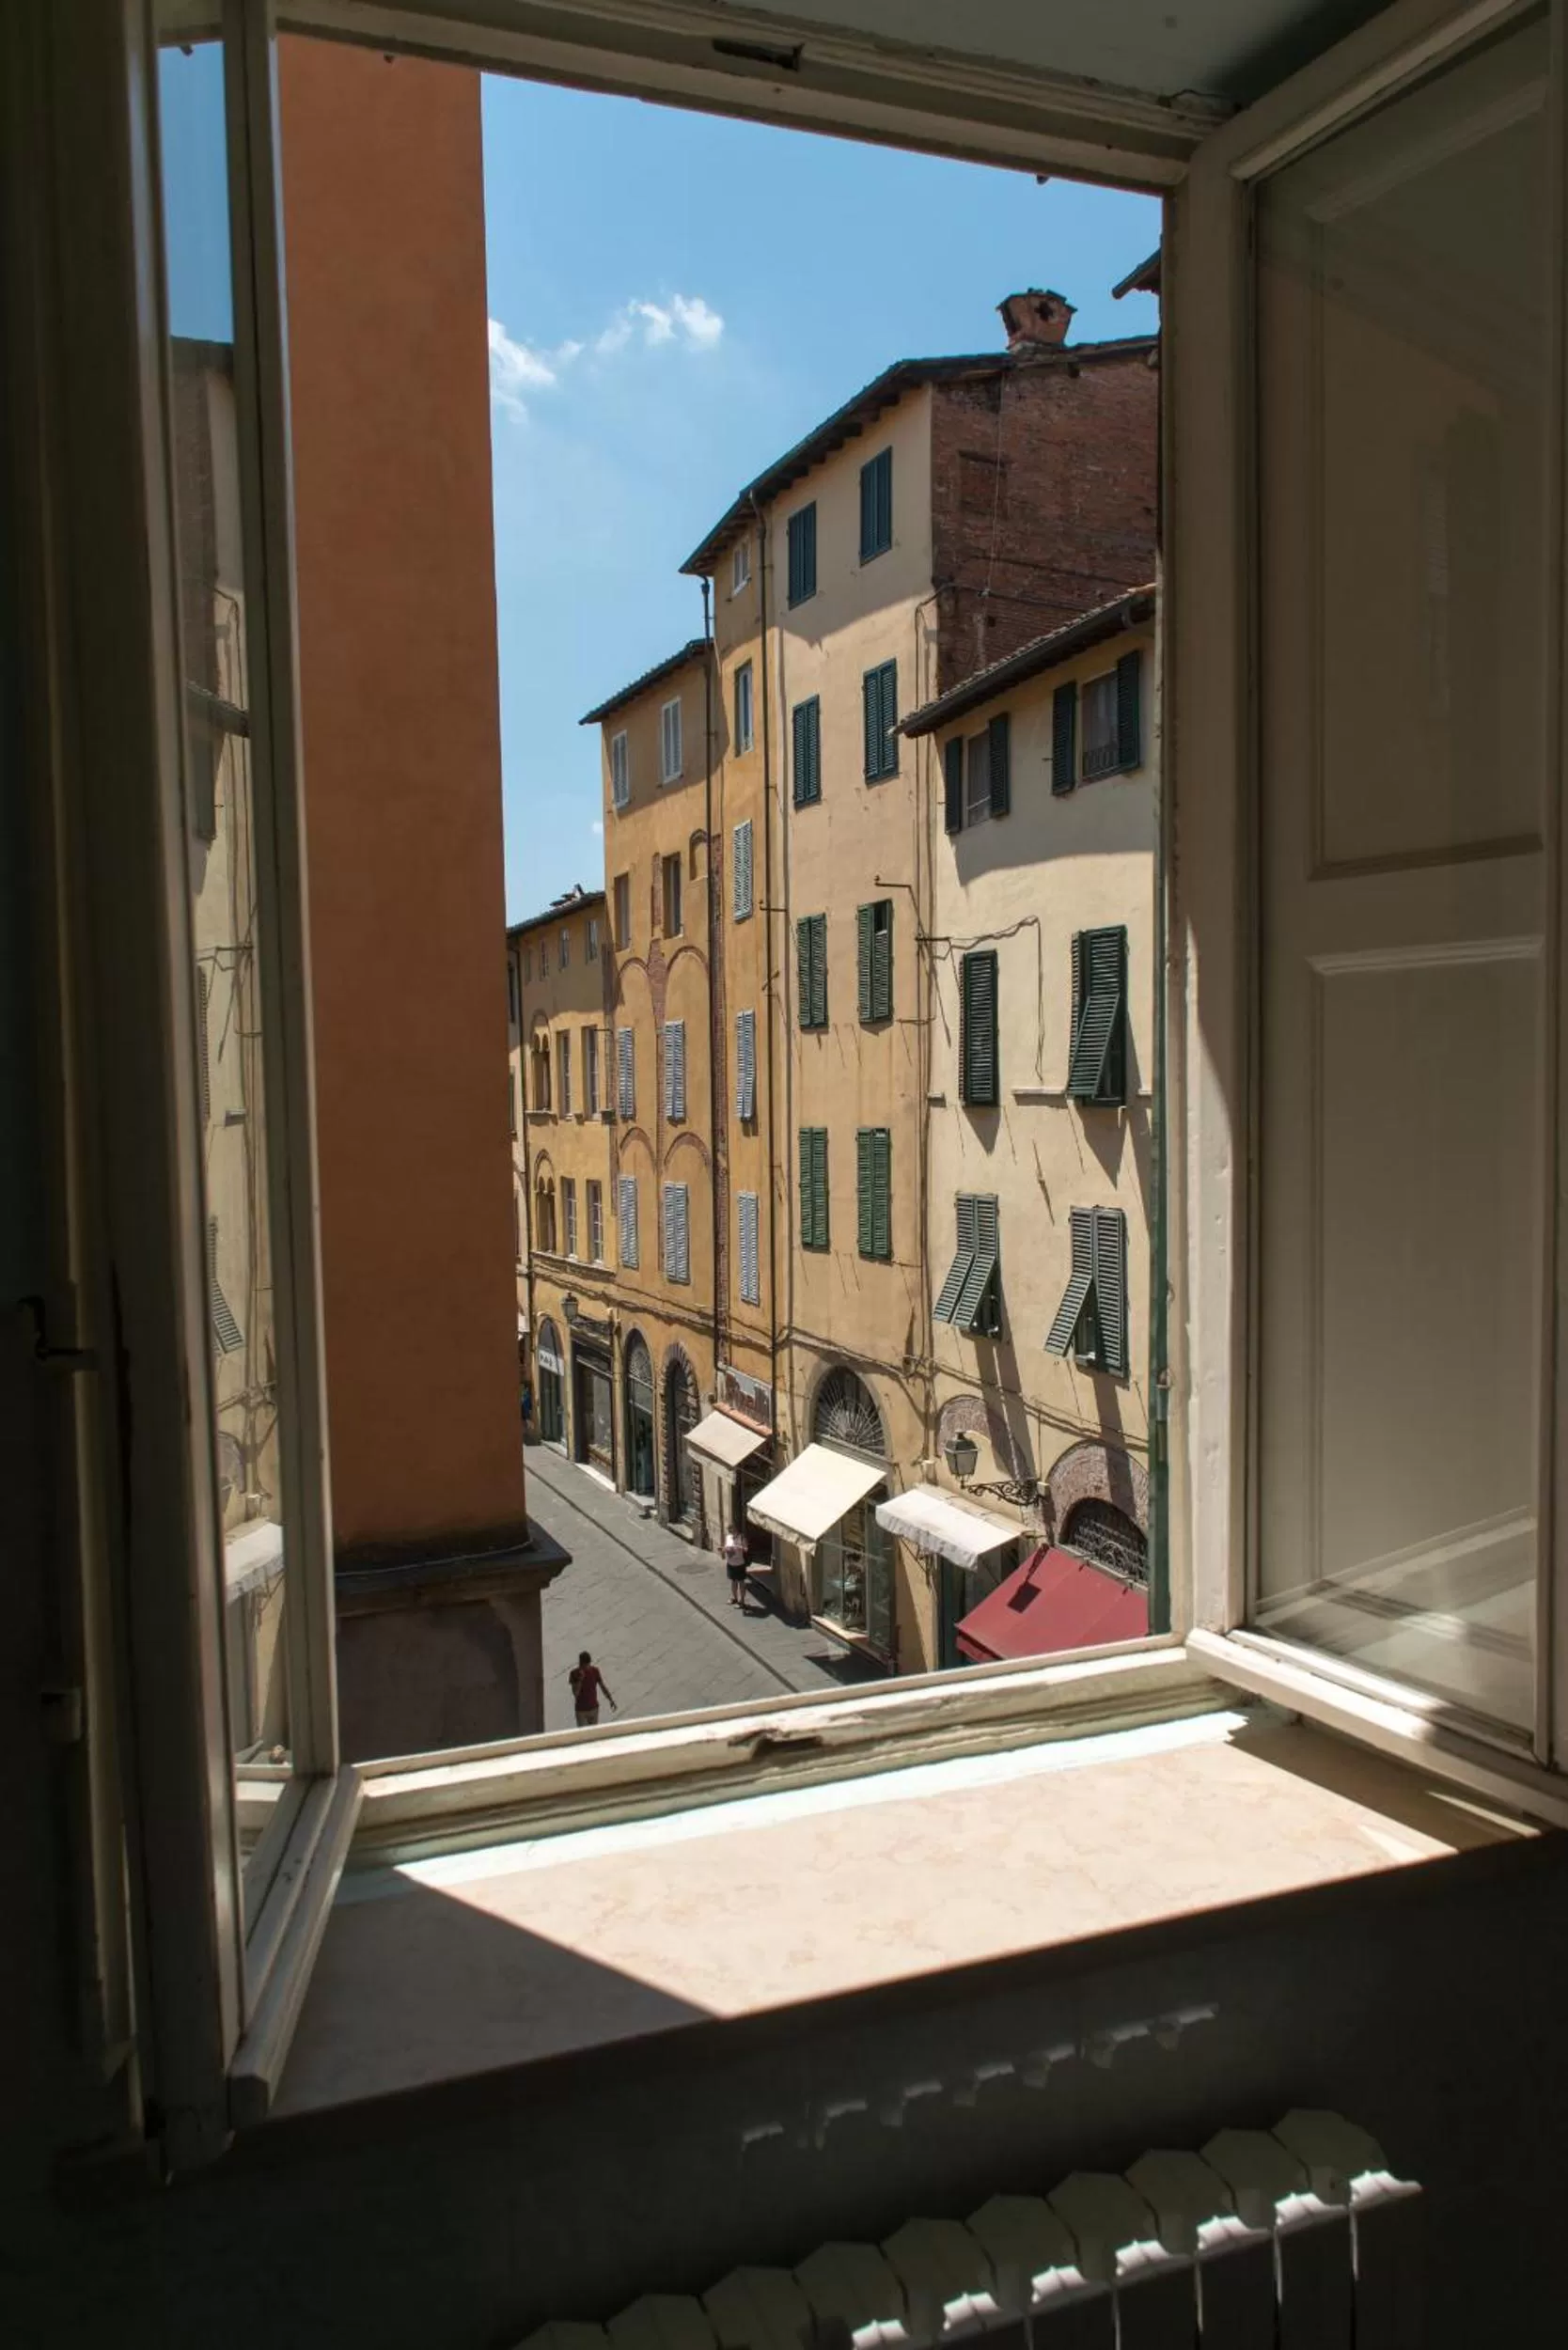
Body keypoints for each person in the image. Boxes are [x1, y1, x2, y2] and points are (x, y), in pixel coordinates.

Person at [569, 1650, 617, 1728]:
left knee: (593, 1734)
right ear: (580, 1663)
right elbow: (575, 1693)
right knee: (584, 1735)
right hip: (581, 1710)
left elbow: (602, 1687)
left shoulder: (595, 1671)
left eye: (587, 1665)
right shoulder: (574, 1673)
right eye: (584, 1665)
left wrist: (610, 1700)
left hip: (594, 1709)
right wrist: (580, 1680)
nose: (586, 1667)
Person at [723, 1526, 749, 1608]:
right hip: (730, 1563)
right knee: (733, 1581)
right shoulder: (728, 1537)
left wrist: (739, 1547)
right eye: (729, 1530)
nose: (731, 1532)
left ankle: (742, 1601)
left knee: (741, 1582)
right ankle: (734, 1598)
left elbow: (746, 1549)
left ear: (737, 1530)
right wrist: (724, 1549)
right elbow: (726, 1547)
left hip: (740, 1563)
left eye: (732, 1530)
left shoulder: (742, 1538)